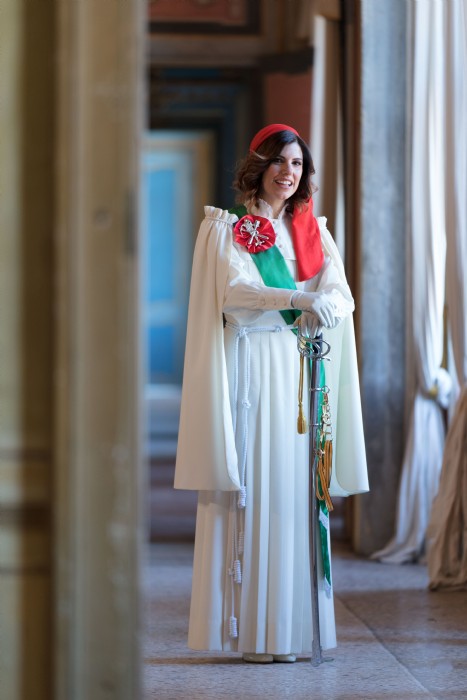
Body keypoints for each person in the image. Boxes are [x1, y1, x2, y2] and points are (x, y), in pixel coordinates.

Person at [174, 123, 369, 663]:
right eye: (280, 161)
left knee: (295, 493)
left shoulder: (312, 233)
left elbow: (340, 295)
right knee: (258, 487)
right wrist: (298, 299)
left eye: (298, 163)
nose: (289, 172)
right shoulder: (228, 229)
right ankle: (255, 633)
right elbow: (234, 294)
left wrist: (326, 305)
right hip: (253, 370)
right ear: (258, 167)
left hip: (302, 369)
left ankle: (292, 632)